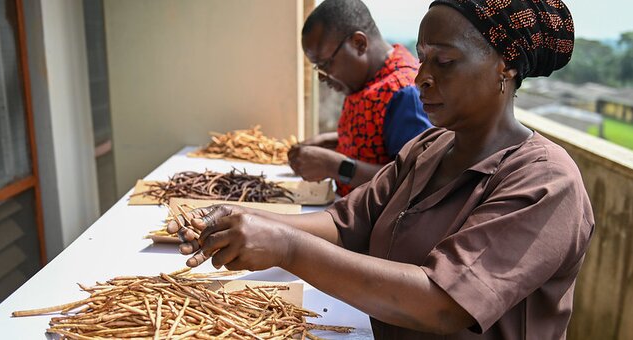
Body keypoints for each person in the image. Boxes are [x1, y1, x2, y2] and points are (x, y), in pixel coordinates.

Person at [168, 0, 594, 338]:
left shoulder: (546, 181)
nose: (420, 77)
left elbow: (445, 304)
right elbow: (346, 221)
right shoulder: (428, 148)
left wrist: (286, 246)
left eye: (443, 62)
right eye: (422, 57)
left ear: (506, 65)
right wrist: (245, 220)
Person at [288, 0, 432, 196]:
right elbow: (380, 141)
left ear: (359, 43)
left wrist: (336, 166)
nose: (322, 77)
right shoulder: (364, 81)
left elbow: (413, 181)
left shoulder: (404, 93)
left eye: (325, 64)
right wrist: (335, 142)